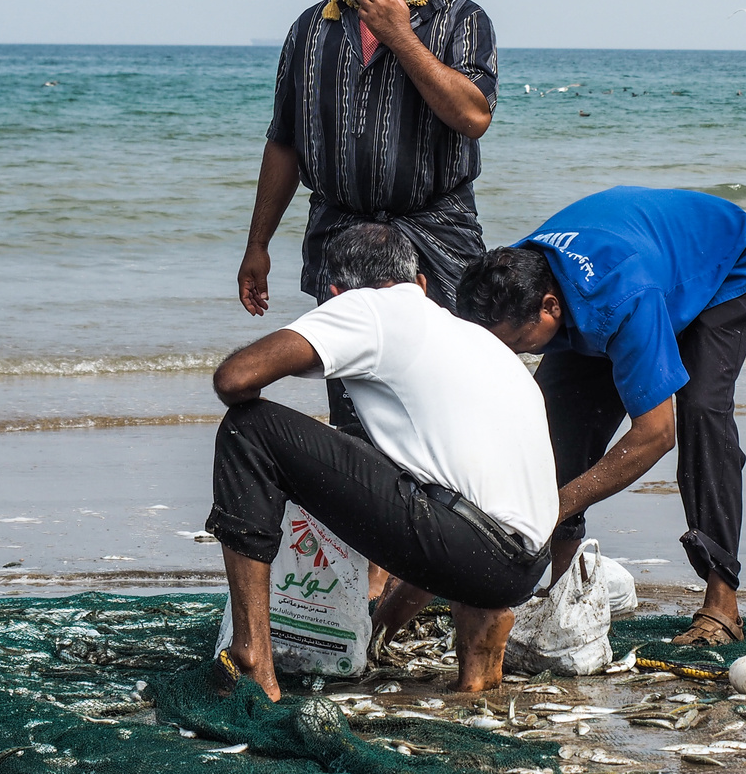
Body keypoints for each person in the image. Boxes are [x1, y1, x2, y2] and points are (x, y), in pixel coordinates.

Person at [206, 223, 557, 695]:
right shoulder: (468, 336)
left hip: (474, 550)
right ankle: (479, 641)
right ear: (422, 283)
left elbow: (235, 378)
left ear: (335, 293)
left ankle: (252, 655)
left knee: (247, 428)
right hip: (527, 564)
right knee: (436, 467)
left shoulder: (365, 307)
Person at [235, 0, 498, 433]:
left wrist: (400, 36)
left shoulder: (460, 20)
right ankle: (363, 514)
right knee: (354, 403)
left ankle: (449, 516)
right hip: (341, 232)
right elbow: (283, 140)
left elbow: (473, 117)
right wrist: (257, 244)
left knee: (445, 393)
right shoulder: (312, 28)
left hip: (437, 234)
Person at [456, 186, 746, 647]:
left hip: (721, 263)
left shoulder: (624, 299)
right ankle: (560, 588)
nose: (513, 356)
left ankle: (722, 600)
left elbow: (656, 435)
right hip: (634, 261)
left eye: (519, 345)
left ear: (550, 308)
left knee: (702, 410)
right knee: (552, 427)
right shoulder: (512, 273)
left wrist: (558, 504)